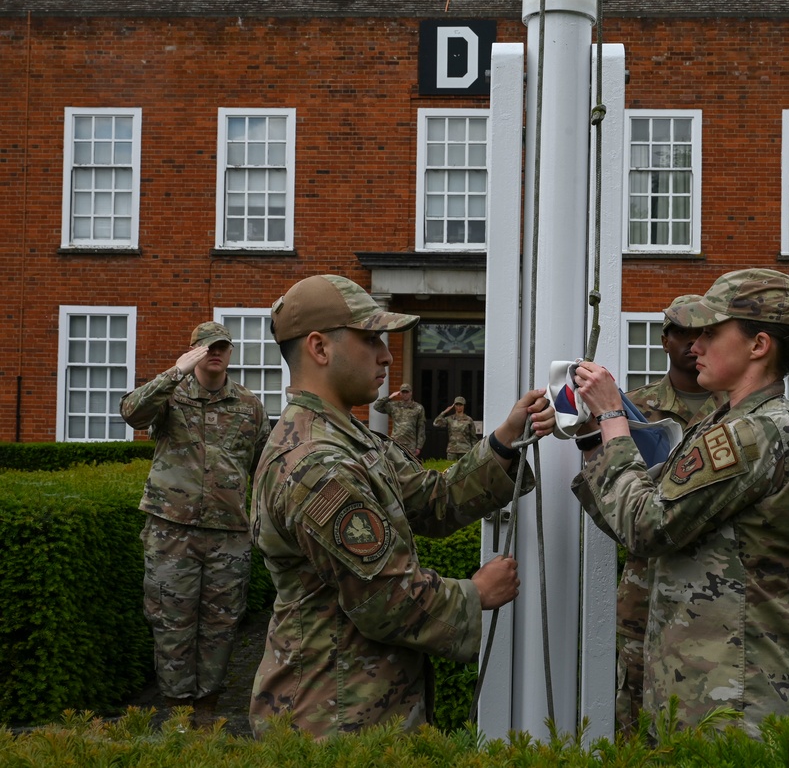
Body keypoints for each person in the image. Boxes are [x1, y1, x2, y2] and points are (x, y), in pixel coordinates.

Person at [249, 274, 555, 739]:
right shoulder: (318, 464)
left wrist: (505, 440)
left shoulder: (351, 440)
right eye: (370, 338)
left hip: (357, 706)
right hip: (332, 721)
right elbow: (386, 600)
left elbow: (435, 500)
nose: (387, 354)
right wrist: (475, 593)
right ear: (319, 348)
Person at [568, 268, 789, 739]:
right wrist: (598, 435)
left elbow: (647, 525)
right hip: (712, 685)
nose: (695, 345)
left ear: (758, 345)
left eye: (711, 332)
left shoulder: (753, 432)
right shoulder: (734, 422)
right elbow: (651, 504)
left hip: (734, 698)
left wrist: (614, 417)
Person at [120, 321, 270, 728]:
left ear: (230, 352)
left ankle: (207, 713)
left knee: (222, 625)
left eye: (221, 347)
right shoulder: (171, 397)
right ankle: (176, 711)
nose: (214, 353)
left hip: (229, 536)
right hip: (172, 531)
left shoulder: (249, 405)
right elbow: (132, 413)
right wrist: (174, 373)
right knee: (172, 622)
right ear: (192, 352)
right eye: (205, 348)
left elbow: (264, 467)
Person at [613, 294, 720, 736]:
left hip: (712, 577)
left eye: (704, 334)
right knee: (634, 693)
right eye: (683, 333)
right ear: (664, 339)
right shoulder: (633, 410)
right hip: (645, 575)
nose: (693, 343)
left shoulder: (736, 410)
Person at [372, 382, 426, 457]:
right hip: (395, 442)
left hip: (410, 444)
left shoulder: (418, 408)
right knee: (395, 464)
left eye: (407, 392)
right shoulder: (394, 406)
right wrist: (390, 397)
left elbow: (421, 427)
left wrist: (419, 446)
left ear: (411, 393)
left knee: (409, 465)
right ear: (400, 393)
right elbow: (377, 406)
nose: (405, 394)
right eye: (403, 392)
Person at [433, 396, 480, 460]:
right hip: (452, 450)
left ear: (464, 406)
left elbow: (473, 437)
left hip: (465, 450)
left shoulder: (468, 420)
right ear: (454, 406)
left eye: (460, 405)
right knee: (451, 469)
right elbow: (436, 423)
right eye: (457, 405)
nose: (458, 407)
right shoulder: (449, 419)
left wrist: (474, 452)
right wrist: (444, 412)